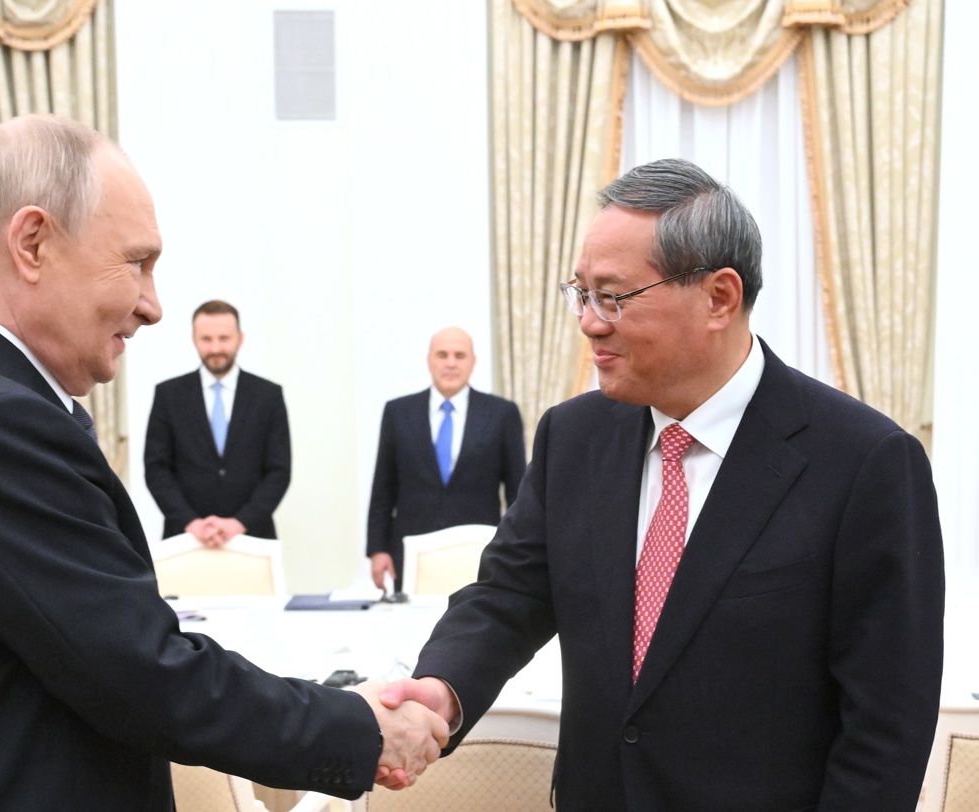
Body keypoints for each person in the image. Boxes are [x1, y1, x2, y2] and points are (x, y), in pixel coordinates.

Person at [0, 114, 446, 811]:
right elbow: (142, 677)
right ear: (33, 243)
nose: (153, 306)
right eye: (138, 262)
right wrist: (356, 726)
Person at [381, 159, 945, 811]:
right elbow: (509, 595)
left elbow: (886, 729)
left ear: (719, 298)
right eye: (581, 293)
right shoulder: (574, 436)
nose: (590, 322)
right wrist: (441, 687)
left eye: (613, 297)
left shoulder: (864, 462)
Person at [366, 327, 525, 592]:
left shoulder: (501, 414)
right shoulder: (398, 412)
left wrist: (517, 554)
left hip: (479, 554)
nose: (451, 363)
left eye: (459, 355)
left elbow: (518, 493)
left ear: (472, 362)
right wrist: (378, 549)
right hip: (411, 553)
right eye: (442, 355)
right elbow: (383, 488)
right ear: (429, 360)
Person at [144, 300, 290, 545]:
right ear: (194, 340)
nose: (215, 347)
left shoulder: (268, 396)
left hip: (253, 536)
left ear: (240, 339)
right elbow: (157, 469)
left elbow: (278, 471)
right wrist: (191, 522)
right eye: (206, 339)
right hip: (186, 537)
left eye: (224, 338)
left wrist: (239, 523)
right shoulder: (168, 395)